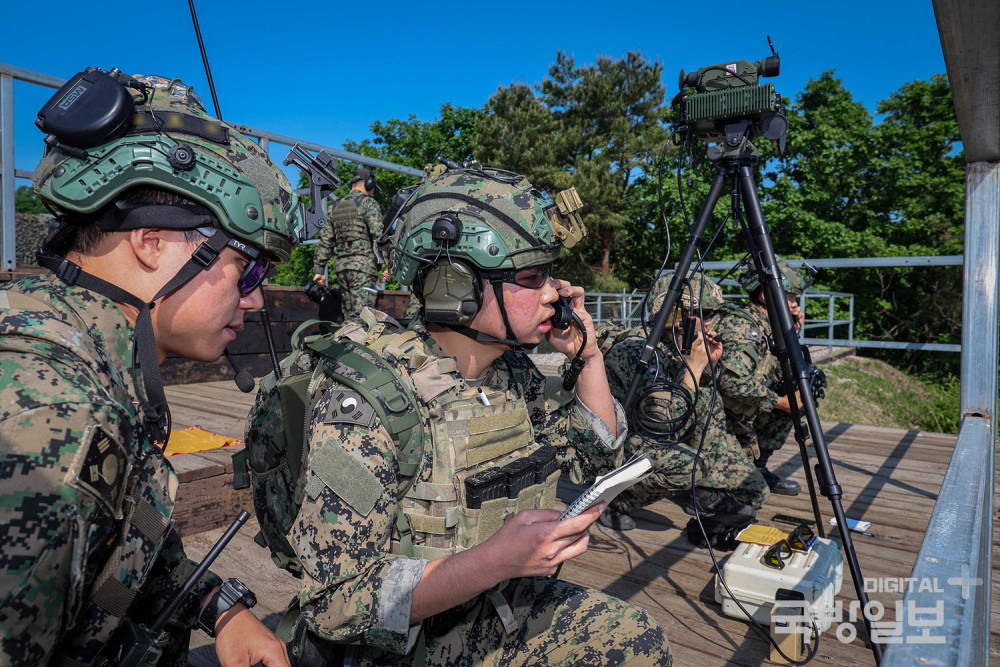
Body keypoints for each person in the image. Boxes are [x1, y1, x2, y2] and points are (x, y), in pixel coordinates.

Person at [245, 165, 670, 665]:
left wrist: (589, 358)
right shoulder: (366, 399)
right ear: (456, 284)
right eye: (533, 277)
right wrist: (494, 561)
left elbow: (594, 455)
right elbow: (335, 602)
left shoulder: (509, 370)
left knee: (638, 639)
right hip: (402, 642)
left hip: (491, 604)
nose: (555, 291)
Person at [0, 69, 306, 665]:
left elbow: (113, 550)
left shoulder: (89, 358)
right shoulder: (54, 423)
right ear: (152, 243)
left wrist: (219, 608)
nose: (257, 299)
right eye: (248, 271)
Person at [599, 272, 769, 531]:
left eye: (712, 314)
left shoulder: (682, 346)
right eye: (706, 314)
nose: (713, 324)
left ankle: (694, 486)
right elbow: (661, 424)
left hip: (668, 441)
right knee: (689, 467)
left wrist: (707, 368)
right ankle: (610, 499)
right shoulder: (637, 350)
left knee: (755, 491)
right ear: (676, 316)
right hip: (627, 442)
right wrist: (695, 370)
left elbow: (708, 416)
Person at [713, 258, 810, 496]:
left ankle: (756, 467)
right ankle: (712, 481)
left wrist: (792, 336)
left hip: (745, 408)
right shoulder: (744, 328)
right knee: (748, 497)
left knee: (795, 406)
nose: (796, 305)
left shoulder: (769, 326)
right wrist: (779, 401)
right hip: (721, 415)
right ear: (768, 296)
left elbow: (775, 370)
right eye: (792, 297)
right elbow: (731, 383)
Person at [310, 166, 383, 321]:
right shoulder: (368, 204)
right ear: (369, 184)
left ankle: (347, 344)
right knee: (364, 319)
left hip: (342, 268)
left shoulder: (334, 207)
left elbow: (325, 241)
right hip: (363, 268)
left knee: (349, 318)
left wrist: (319, 270)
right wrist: (386, 263)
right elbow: (379, 236)